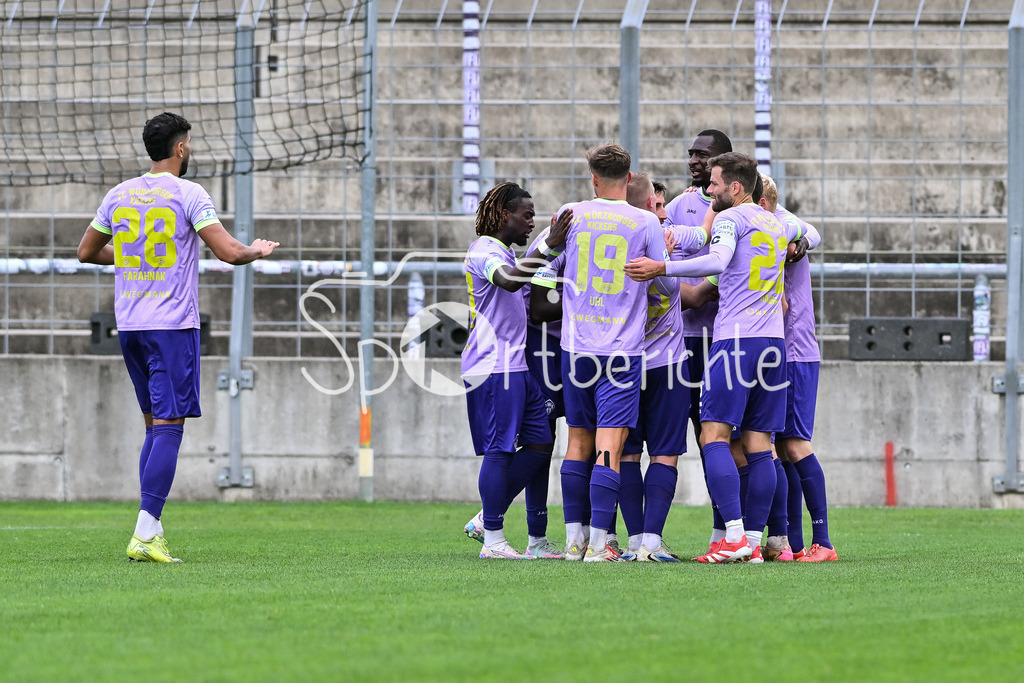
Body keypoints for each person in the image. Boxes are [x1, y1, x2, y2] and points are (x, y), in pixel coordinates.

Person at [76, 112, 279, 562]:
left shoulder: (119, 193)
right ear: (181, 148)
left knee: (153, 427)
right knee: (170, 427)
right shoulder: (189, 193)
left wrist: (132, 256)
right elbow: (228, 252)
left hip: (130, 326)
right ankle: (145, 533)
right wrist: (256, 251)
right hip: (170, 327)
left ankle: (153, 527)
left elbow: (86, 252)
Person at [625, 152, 807, 564]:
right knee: (760, 444)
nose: (708, 190)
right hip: (773, 345)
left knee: (714, 436)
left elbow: (719, 258)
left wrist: (661, 267)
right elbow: (802, 231)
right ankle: (754, 543)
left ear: (736, 188)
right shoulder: (776, 223)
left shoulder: (731, 219)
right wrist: (674, 237)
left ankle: (735, 536)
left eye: (716, 184)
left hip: (736, 342)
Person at [555, 144, 673, 562]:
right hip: (621, 349)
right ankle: (602, 543)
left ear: (593, 178)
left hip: (575, 346)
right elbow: (668, 286)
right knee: (611, 442)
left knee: (577, 442)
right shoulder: (644, 221)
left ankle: (574, 541)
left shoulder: (570, 214)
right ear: (628, 179)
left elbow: (540, 268)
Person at [460, 182, 572, 559]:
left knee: (541, 443)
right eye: (526, 215)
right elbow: (507, 282)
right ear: (505, 215)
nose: (531, 222)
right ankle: (492, 539)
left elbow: (531, 304)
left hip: (518, 365)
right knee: (500, 450)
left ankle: (485, 517)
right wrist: (547, 245)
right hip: (492, 366)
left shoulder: (507, 252)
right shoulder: (483, 251)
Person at [617, 172, 708, 562]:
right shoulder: (661, 250)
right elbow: (683, 294)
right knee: (665, 454)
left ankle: (634, 540)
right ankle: (650, 542)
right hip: (667, 362)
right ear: (645, 207)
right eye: (657, 206)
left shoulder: (614, 242)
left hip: (620, 359)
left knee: (625, 453)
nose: (665, 213)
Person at [756, 177, 837, 563]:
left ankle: (824, 542)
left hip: (794, 352)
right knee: (779, 448)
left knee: (793, 444)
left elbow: (811, 232)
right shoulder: (773, 228)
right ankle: (793, 544)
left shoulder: (783, 225)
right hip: (782, 351)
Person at [662, 130, 734, 551]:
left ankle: (725, 533)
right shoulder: (679, 205)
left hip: (722, 340)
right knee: (672, 439)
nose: (694, 161)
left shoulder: (740, 207)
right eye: (690, 154)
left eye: (703, 155)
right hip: (680, 341)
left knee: (719, 440)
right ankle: (648, 536)